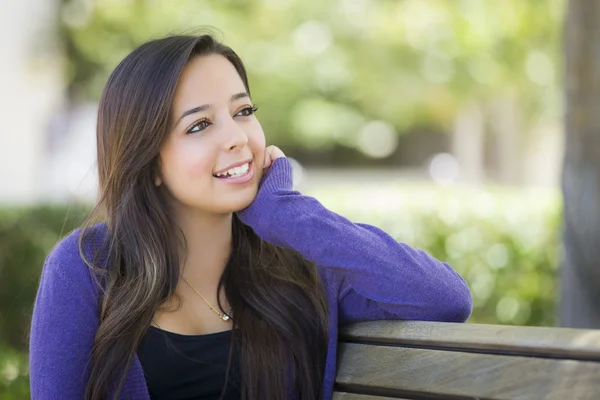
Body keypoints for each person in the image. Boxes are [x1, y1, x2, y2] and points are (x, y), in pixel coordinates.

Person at [29, 33, 472, 400]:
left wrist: (284, 212)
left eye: (243, 112)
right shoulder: (87, 268)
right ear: (149, 160)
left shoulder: (300, 264)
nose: (237, 137)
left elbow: (444, 299)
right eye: (199, 125)